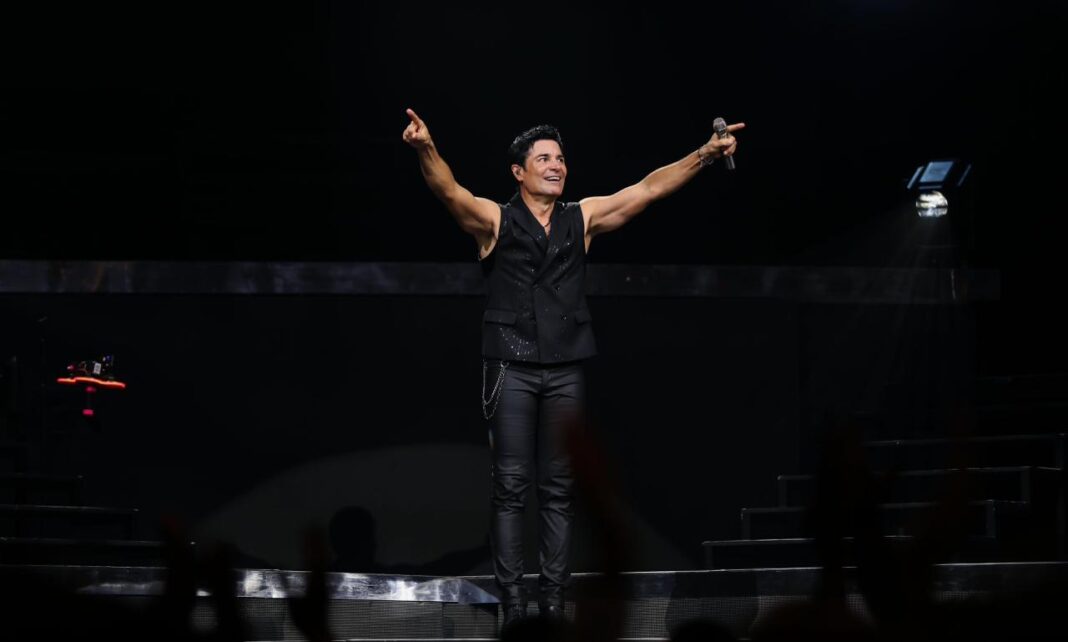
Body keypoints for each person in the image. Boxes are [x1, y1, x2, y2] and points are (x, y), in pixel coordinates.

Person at [402, 109, 743, 627]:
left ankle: (554, 601)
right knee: (511, 486)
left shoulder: (580, 218)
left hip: (564, 367)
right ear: (519, 171)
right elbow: (449, 191)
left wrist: (705, 154)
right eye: (543, 159)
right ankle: (513, 604)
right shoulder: (496, 219)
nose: (556, 166)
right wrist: (426, 148)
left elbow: (647, 190)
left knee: (559, 488)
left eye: (560, 158)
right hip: (510, 365)